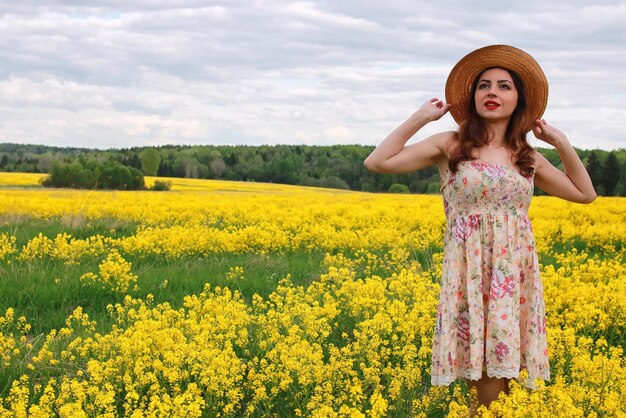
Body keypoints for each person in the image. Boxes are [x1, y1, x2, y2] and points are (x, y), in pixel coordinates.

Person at [363, 45, 596, 415]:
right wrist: (421, 117)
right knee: (487, 385)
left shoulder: (526, 155)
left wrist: (562, 144)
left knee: (503, 390)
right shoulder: (450, 144)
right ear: (471, 97)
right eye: (484, 85)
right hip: (471, 275)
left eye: (504, 86)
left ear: (518, 98)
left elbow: (585, 194)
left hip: (514, 277)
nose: (492, 92)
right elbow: (377, 162)